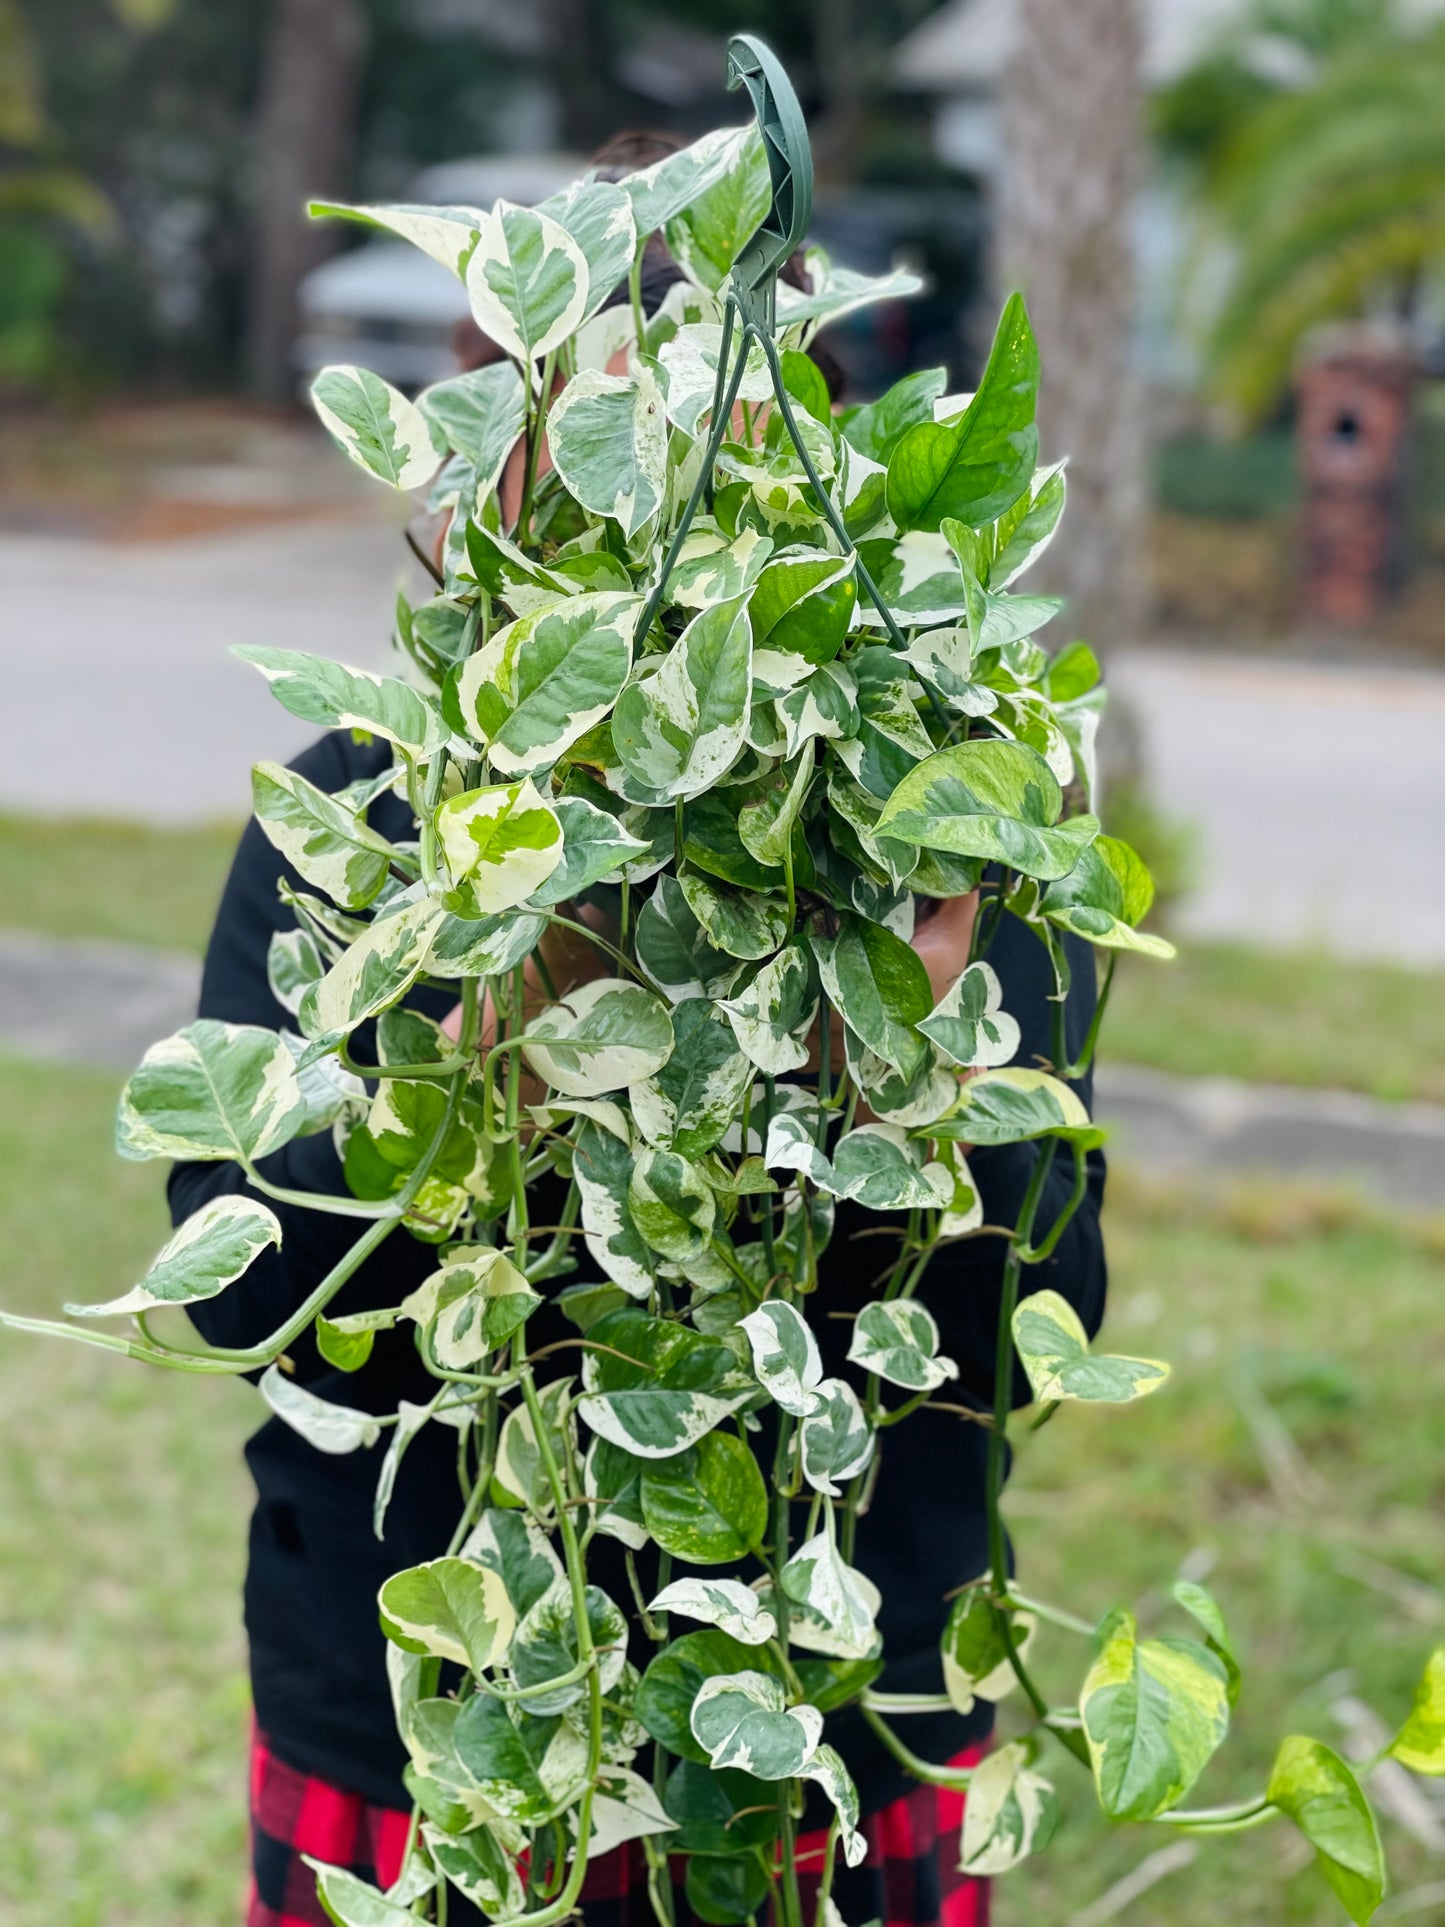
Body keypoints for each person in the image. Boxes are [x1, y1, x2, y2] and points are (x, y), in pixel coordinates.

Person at [169, 141, 1107, 1927]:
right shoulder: (365, 817)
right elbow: (234, 1282)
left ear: (788, 458)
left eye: (626, 418)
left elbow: (1033, 1337)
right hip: (423, 1736)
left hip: (838, 1724)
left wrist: (913, 1068)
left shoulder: (941, 836)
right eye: (500, 392)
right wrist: (488, 1045)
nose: (525, 464)